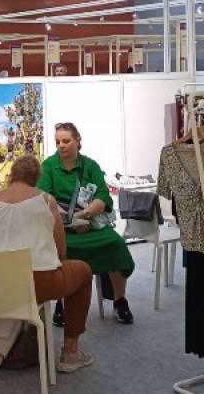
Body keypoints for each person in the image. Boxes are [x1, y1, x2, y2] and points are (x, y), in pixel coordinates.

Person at [0, 155, 94, 372]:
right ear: (36, 179)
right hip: (35, 283)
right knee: (84, 272)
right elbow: (61, 251)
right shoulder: (46, 200)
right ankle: (70, 353)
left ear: (11, 176)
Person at [38, 122, 136, 325]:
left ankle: (120, 301)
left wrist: (84, 215)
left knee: (116, 244)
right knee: (61, 250)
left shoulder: (90, 166)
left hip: (92, 225)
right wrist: (68, 220)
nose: (61, 145)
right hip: (63, 228)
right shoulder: (48, 166)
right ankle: (62, 301)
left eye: (66, 140)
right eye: (58, 142)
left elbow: (103, 196)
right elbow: (44, 197)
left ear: (77, 141)